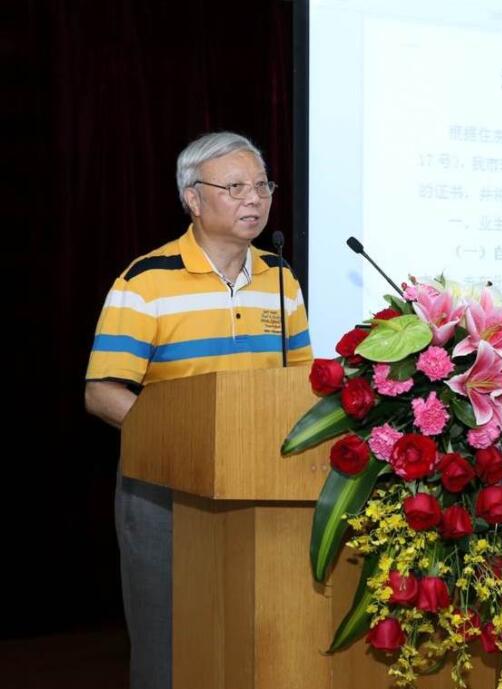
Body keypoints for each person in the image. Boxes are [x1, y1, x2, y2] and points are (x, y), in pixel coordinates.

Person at [84, 131, 312, 689]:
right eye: (235, 187)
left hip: (260, 483)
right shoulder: (147, 280)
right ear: (193, 197)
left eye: (262, 185)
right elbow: (102, 391)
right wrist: (186, 439)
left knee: (251, 637)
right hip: (165, 487)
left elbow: (302, 386)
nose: (253, 198)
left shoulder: (281, 280)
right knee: (169, 646)